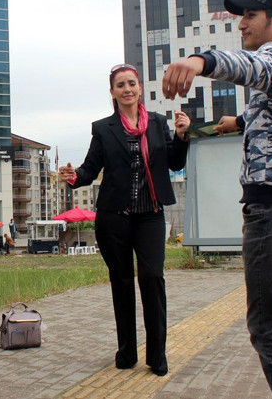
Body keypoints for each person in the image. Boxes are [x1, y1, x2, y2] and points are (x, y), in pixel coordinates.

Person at [163, 0, 272, 399]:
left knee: (266, 328)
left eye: (250, 16)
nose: (241, 24)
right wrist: (241, 122)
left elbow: (245, 66)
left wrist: (201, 60)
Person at [59, 63, 190, 376]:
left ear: (140, 88)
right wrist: (73, 176)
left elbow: (173, 163)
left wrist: (183, 137)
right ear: (113, 92)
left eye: (132, 83)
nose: (127, 89)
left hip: (150, 216)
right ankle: (127, 351)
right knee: (121, 283)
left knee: (151, 278)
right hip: (113, 218)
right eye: (120, 85)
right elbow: (90, 169)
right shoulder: (103, 128)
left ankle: (157, 355)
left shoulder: (158, 123)